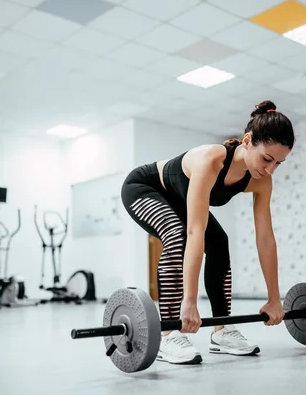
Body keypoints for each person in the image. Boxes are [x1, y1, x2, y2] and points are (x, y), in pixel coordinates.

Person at [120, 100, 295, 365]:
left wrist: (274, 299)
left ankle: (222, 331)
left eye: (278, 163)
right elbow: (194, 231)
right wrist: (189, 302)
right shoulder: (210, 160)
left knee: (219, 241)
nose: (270, 169)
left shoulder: (261, 181)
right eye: (267, 158)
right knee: (177, 233)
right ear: (247, 141)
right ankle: (167, 333)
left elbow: (265, 238)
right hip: (144, 188)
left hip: (179, 199)